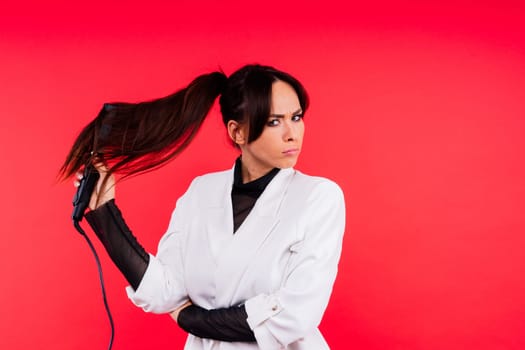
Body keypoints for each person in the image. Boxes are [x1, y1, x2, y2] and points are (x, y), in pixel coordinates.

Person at [61, 64, 346, 349]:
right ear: (237, 133)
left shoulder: (318, 197)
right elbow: (165, 291)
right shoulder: (201, 192)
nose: (292, 133)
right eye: (275, 121)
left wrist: (189, 319)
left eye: (296, 117)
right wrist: (105, 211)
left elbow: (295, 316)